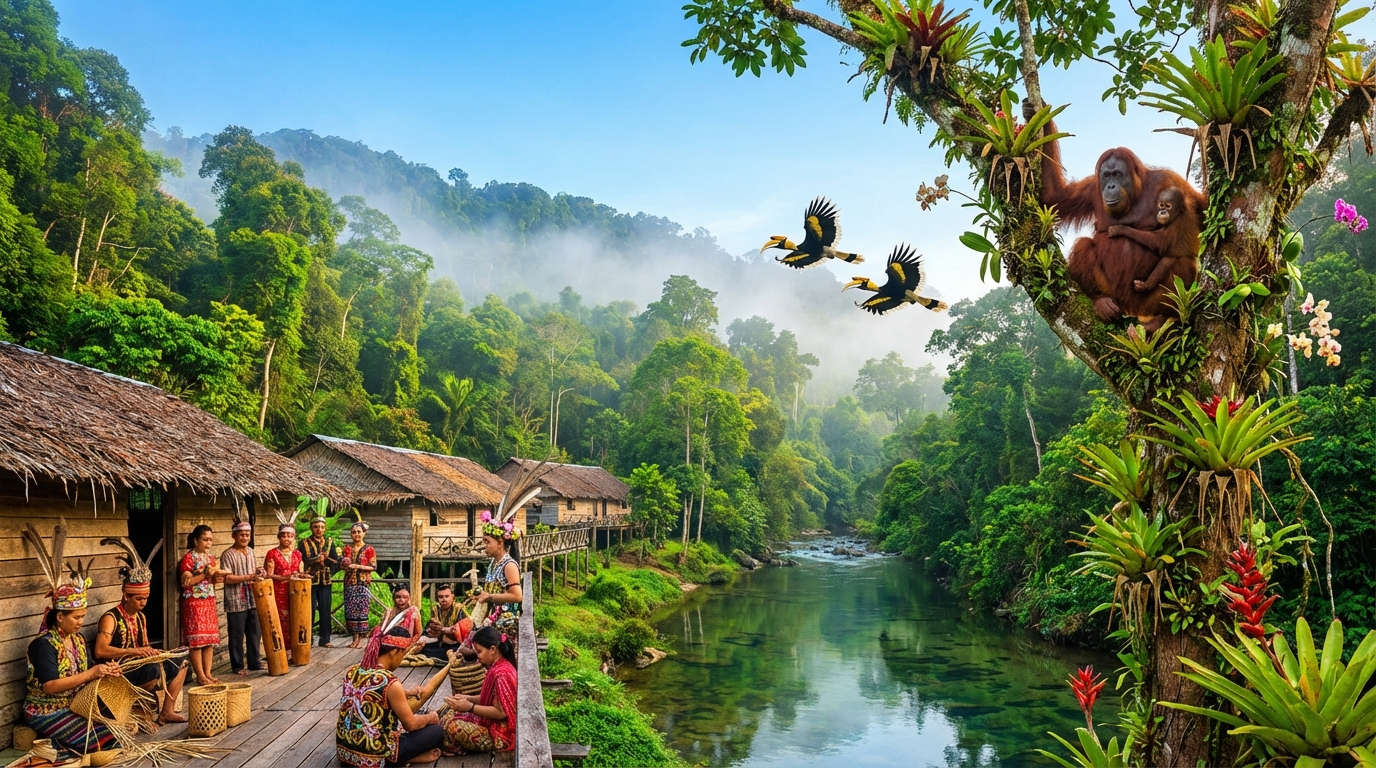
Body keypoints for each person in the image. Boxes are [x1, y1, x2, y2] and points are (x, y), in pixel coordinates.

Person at [22, 522, 120, 754]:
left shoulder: (76, 640)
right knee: (103, 741)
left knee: (121, 727)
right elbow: (50, 686)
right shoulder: (43, 645)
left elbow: (89, 668)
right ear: (59, 617)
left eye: (83, 616)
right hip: (46, 710)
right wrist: (91, 674)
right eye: (76, 617)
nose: (81, 622)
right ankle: (55, 745)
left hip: (75, 704)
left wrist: (106, 670)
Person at [94, 535, 187, 723]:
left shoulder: (140, 617)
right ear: (126, 596)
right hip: (117, 670)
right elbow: (100, 650)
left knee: (181, 662)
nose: (143, 602)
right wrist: (133, 651)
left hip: (137, 664)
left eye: (145, 598)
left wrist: (156, 652)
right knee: (152, 671)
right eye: (139, 599)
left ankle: (166, 711)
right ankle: (135, 709)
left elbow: (143, 646)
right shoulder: (110, 618)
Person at [336, 626, 443, 767]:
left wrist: (406, 692)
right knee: (436, 731)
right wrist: (430, 717)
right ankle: (403, 759)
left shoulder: (352, 671)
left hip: (345, 754)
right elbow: (410, 725)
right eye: (402, 653)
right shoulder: (390, 681)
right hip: (375, 756)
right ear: (394, 652)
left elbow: (368, 692)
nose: (402, 659)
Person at [437, 626, 517, 754]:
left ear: (492, 649)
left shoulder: (502, 675)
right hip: (490, 720)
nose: (478, 657)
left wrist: (470, 707)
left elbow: (501, 712)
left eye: (479, 651)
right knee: (448, 709)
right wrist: (466, 698)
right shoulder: (497, 667)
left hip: (500, 732)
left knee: (453, 727)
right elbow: (490, 698)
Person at [220, 521, 266, 675]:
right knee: (237, 635)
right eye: (242, 535)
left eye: (247, 534)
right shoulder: (228, 554)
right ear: (234, 536)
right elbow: (227, 578)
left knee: (254, 632)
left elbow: (253, 572)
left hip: (252, 599)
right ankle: (238, 666)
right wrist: (249, 576)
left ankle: (254, 663)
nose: (245, 537)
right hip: (236, 600)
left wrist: (258, 572)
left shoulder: (251, 552)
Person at [180, 525, 222, 686]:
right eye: (205, 540)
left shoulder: (211, 559)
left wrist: (214, 578)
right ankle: (200, 675)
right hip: (194, 602)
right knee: (197, 641)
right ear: (196, 540)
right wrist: (205, 574)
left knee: (209, 639)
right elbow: (187, 582)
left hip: (208, 601)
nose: (208, 543)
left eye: (210, 540)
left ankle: (208, 673)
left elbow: (212, 581)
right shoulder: (189, 559)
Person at [475, 511, 522, 634]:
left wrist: (490, 597)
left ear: (500, 543)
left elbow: (517, 596)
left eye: (487, 541)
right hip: (493, 617)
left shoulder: (509, 565)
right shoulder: (494, 563)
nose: (484, 545)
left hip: (505, 622)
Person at [298, 515, 339, 648]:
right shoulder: (303, 542)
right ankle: (308, 639)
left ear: (325, 528)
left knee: (325, 609)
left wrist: (329, 572)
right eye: (316, 527)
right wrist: (316, 560)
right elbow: (302, 560)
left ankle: (325, 639)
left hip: (325, 581)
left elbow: (335, 561)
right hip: (310, 580)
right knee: (309, 610)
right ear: (311, 528)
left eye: (321, 527)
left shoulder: (330, 542)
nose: (318, 529)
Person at [264, 521, 305, 641]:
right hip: (278, 592)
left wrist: (302, 576)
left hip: (295, 593)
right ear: (279, 537)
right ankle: (282, 652)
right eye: (284, 536)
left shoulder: (297, 554)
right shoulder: (272, 554)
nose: (287, 538)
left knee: (296, 619)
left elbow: (299, 571)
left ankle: (295, 650)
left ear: (294, 538)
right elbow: (269, 575)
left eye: (290, 536)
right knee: (280, 620)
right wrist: (285, 578)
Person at [341, 521, 377, 649]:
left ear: (364, 533)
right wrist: (345, 564)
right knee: (350, 611)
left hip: (362, 584)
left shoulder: (369, 549)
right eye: (354, 532)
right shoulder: (347, 548)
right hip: (350, 583)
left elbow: (373, 567)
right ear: (351, 534)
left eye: (359, 532)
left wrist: (358, 566)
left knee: (362, 611)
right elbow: (341, 564)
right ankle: (354, 637)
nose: (356, 534)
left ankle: (360, 639)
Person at [421, 585, 472, 662]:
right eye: (441, 597)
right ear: (437, 598)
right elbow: (428, 629)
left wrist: (446, 631)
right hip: (440, 643)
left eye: (446, 596)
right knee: (424, 648)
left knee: (458, 651)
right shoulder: (435, 609)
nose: (444, 599)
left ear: (452, 596)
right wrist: (428, 633)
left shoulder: (459, 609)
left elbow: (465, 632)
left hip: (456, 644)